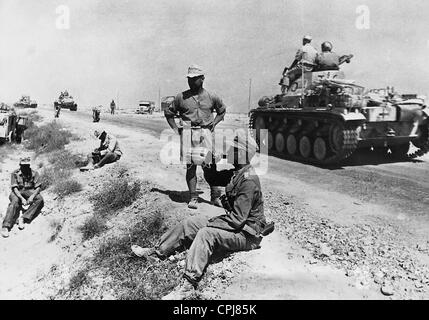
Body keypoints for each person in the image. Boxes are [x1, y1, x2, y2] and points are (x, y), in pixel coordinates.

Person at [131, 131, 273, 300]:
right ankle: (157, 253)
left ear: (241, 154)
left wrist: (211, 223)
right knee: (190, 224)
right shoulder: (237, 173)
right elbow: (213, 178)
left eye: (233, 149)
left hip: (248, 235)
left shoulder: (248, 180)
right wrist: (207, 162)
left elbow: (237, 220)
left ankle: (189, 284)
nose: (228, 150)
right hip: (238, 226)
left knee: (206, 233)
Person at [164, 64, 227, 209]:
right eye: (189, 79)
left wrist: (214, 123)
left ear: (202, 79)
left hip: (206, 133)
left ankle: (215, 197)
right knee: (191, 166)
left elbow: (222, 111)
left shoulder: (212, 96)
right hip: (188, 132)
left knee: (210, 166)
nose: (191, 81)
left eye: (195, 79)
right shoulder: (181, 97)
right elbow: (169, 113)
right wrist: (176, 129)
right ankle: (193, 197)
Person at [1, 157, 44, 238]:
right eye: (23, 165)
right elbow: (15, 188)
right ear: (20, 165)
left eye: (27, 165)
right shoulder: (15, 173)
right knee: (14, 202)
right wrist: (22, 198)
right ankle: (5, 226)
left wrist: (32, 196)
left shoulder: (34, 173)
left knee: (39, 199)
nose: (25, 167)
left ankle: (23, 218)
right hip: (17, 192)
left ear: (29, 165)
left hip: (29, 190)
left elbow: (38, 187)